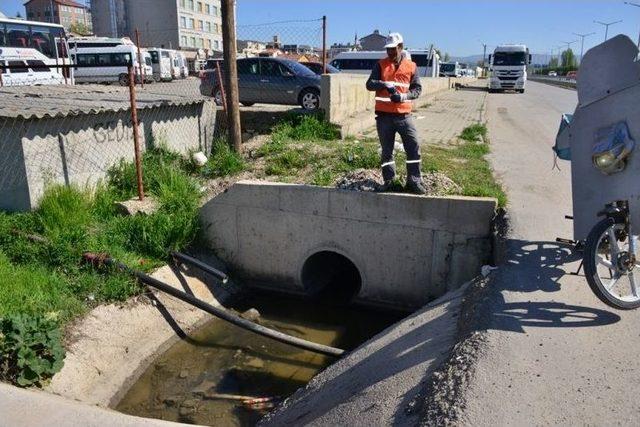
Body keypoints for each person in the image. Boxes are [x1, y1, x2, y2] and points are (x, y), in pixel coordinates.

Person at [366, 32, 426, 194]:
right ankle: (390, 181)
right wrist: (384, 84)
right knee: (387, 151)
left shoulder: (411, 66)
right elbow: (369, 84)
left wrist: (404, 96)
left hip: (404, 116)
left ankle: (413, 181)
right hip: (384, 117)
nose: (390, 52)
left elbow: (417, 89)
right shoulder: (380, 65)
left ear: (401, 47)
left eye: (393, 49)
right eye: (388, 49)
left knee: (413, 147)